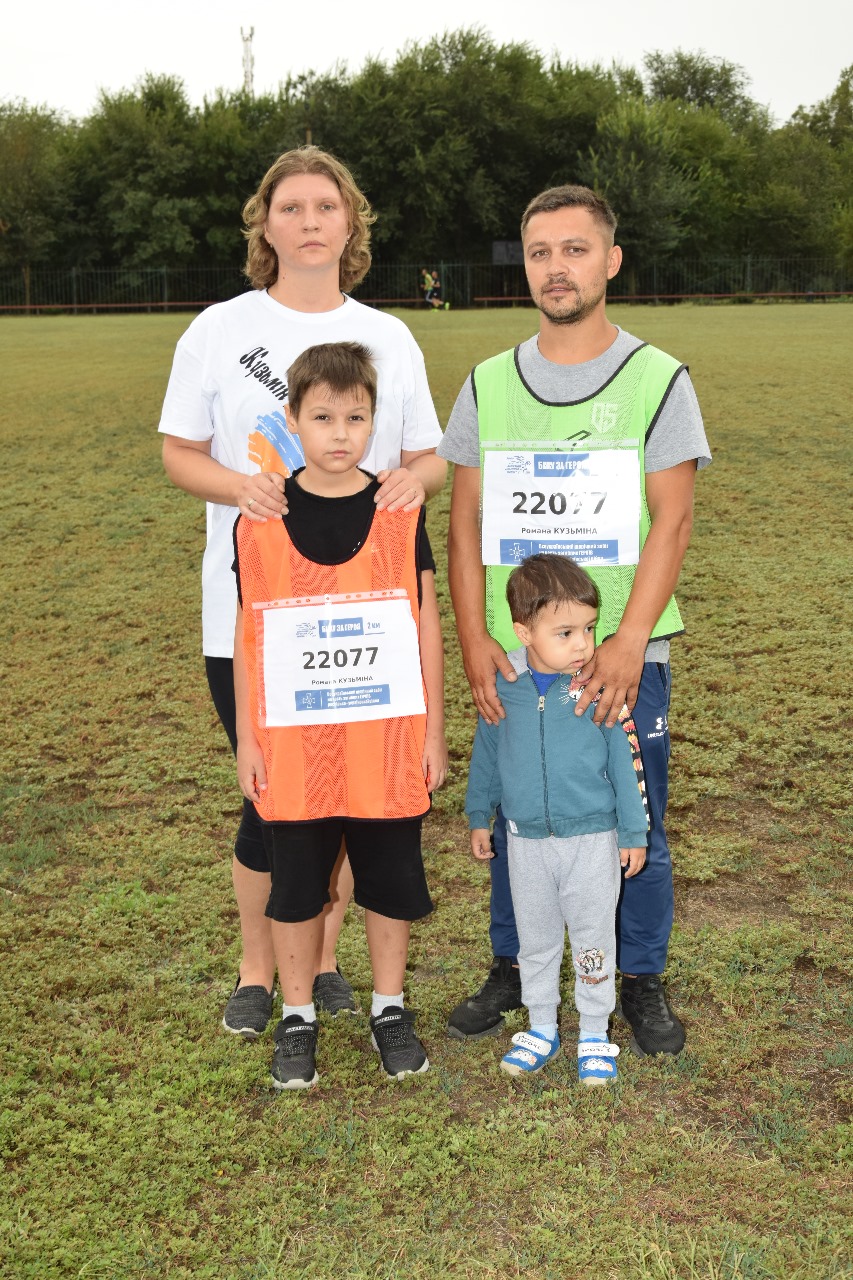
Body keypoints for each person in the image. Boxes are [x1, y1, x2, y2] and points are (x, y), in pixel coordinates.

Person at [159, 147, 445, 1039]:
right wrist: (237, 489)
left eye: (327, 205)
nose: (311, 220)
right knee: (275, 794)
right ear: (266, 223)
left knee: (351, 791)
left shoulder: (389, 337)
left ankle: (320, 964)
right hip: (254, 615)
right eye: (292, 206)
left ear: (349, 223)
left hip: (368, 622)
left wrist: (417, 483)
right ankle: (258, 967)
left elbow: (426, 455)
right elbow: (180, 452)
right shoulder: (216, 327)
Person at [438, 183, 711, 1056]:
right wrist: (474, 638)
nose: (557, 268)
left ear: (611, 261)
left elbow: (672, 518)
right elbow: (464, 521)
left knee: (633, 815)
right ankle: (514, 967)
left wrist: (629, 639)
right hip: (517, 659)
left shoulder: (657, 379)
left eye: (575, 249)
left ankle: (637, 978)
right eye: (541, 252)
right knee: (523, 810)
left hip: (622, 654)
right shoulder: (487, 383)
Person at [233, 340, 447, 1088]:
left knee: (388, 881)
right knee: (296, 887)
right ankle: (298, 1017)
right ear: (293, 420)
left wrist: (433, 732)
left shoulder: (397, 505)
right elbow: (249, 629)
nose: (339, 432)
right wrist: (249, 740)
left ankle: (388, 1007)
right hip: (295, 751)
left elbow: (423, 620)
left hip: (385, 744)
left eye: (355, 417)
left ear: (372, 421)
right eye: (321, 416)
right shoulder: (261, 513)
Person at [466, 555, 647, 1085]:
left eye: (589, 629)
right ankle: (541, 1027)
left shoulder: (598, 690)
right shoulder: (504, 691)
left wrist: (633, 832)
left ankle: (594, 1032)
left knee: (593, 939)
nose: (583, 645)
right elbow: (486, 757)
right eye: (565, 632)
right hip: (526, 844)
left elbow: (626, 763)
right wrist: (481, 814)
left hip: (592, 841)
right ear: (523, 631)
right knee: (536, 941)